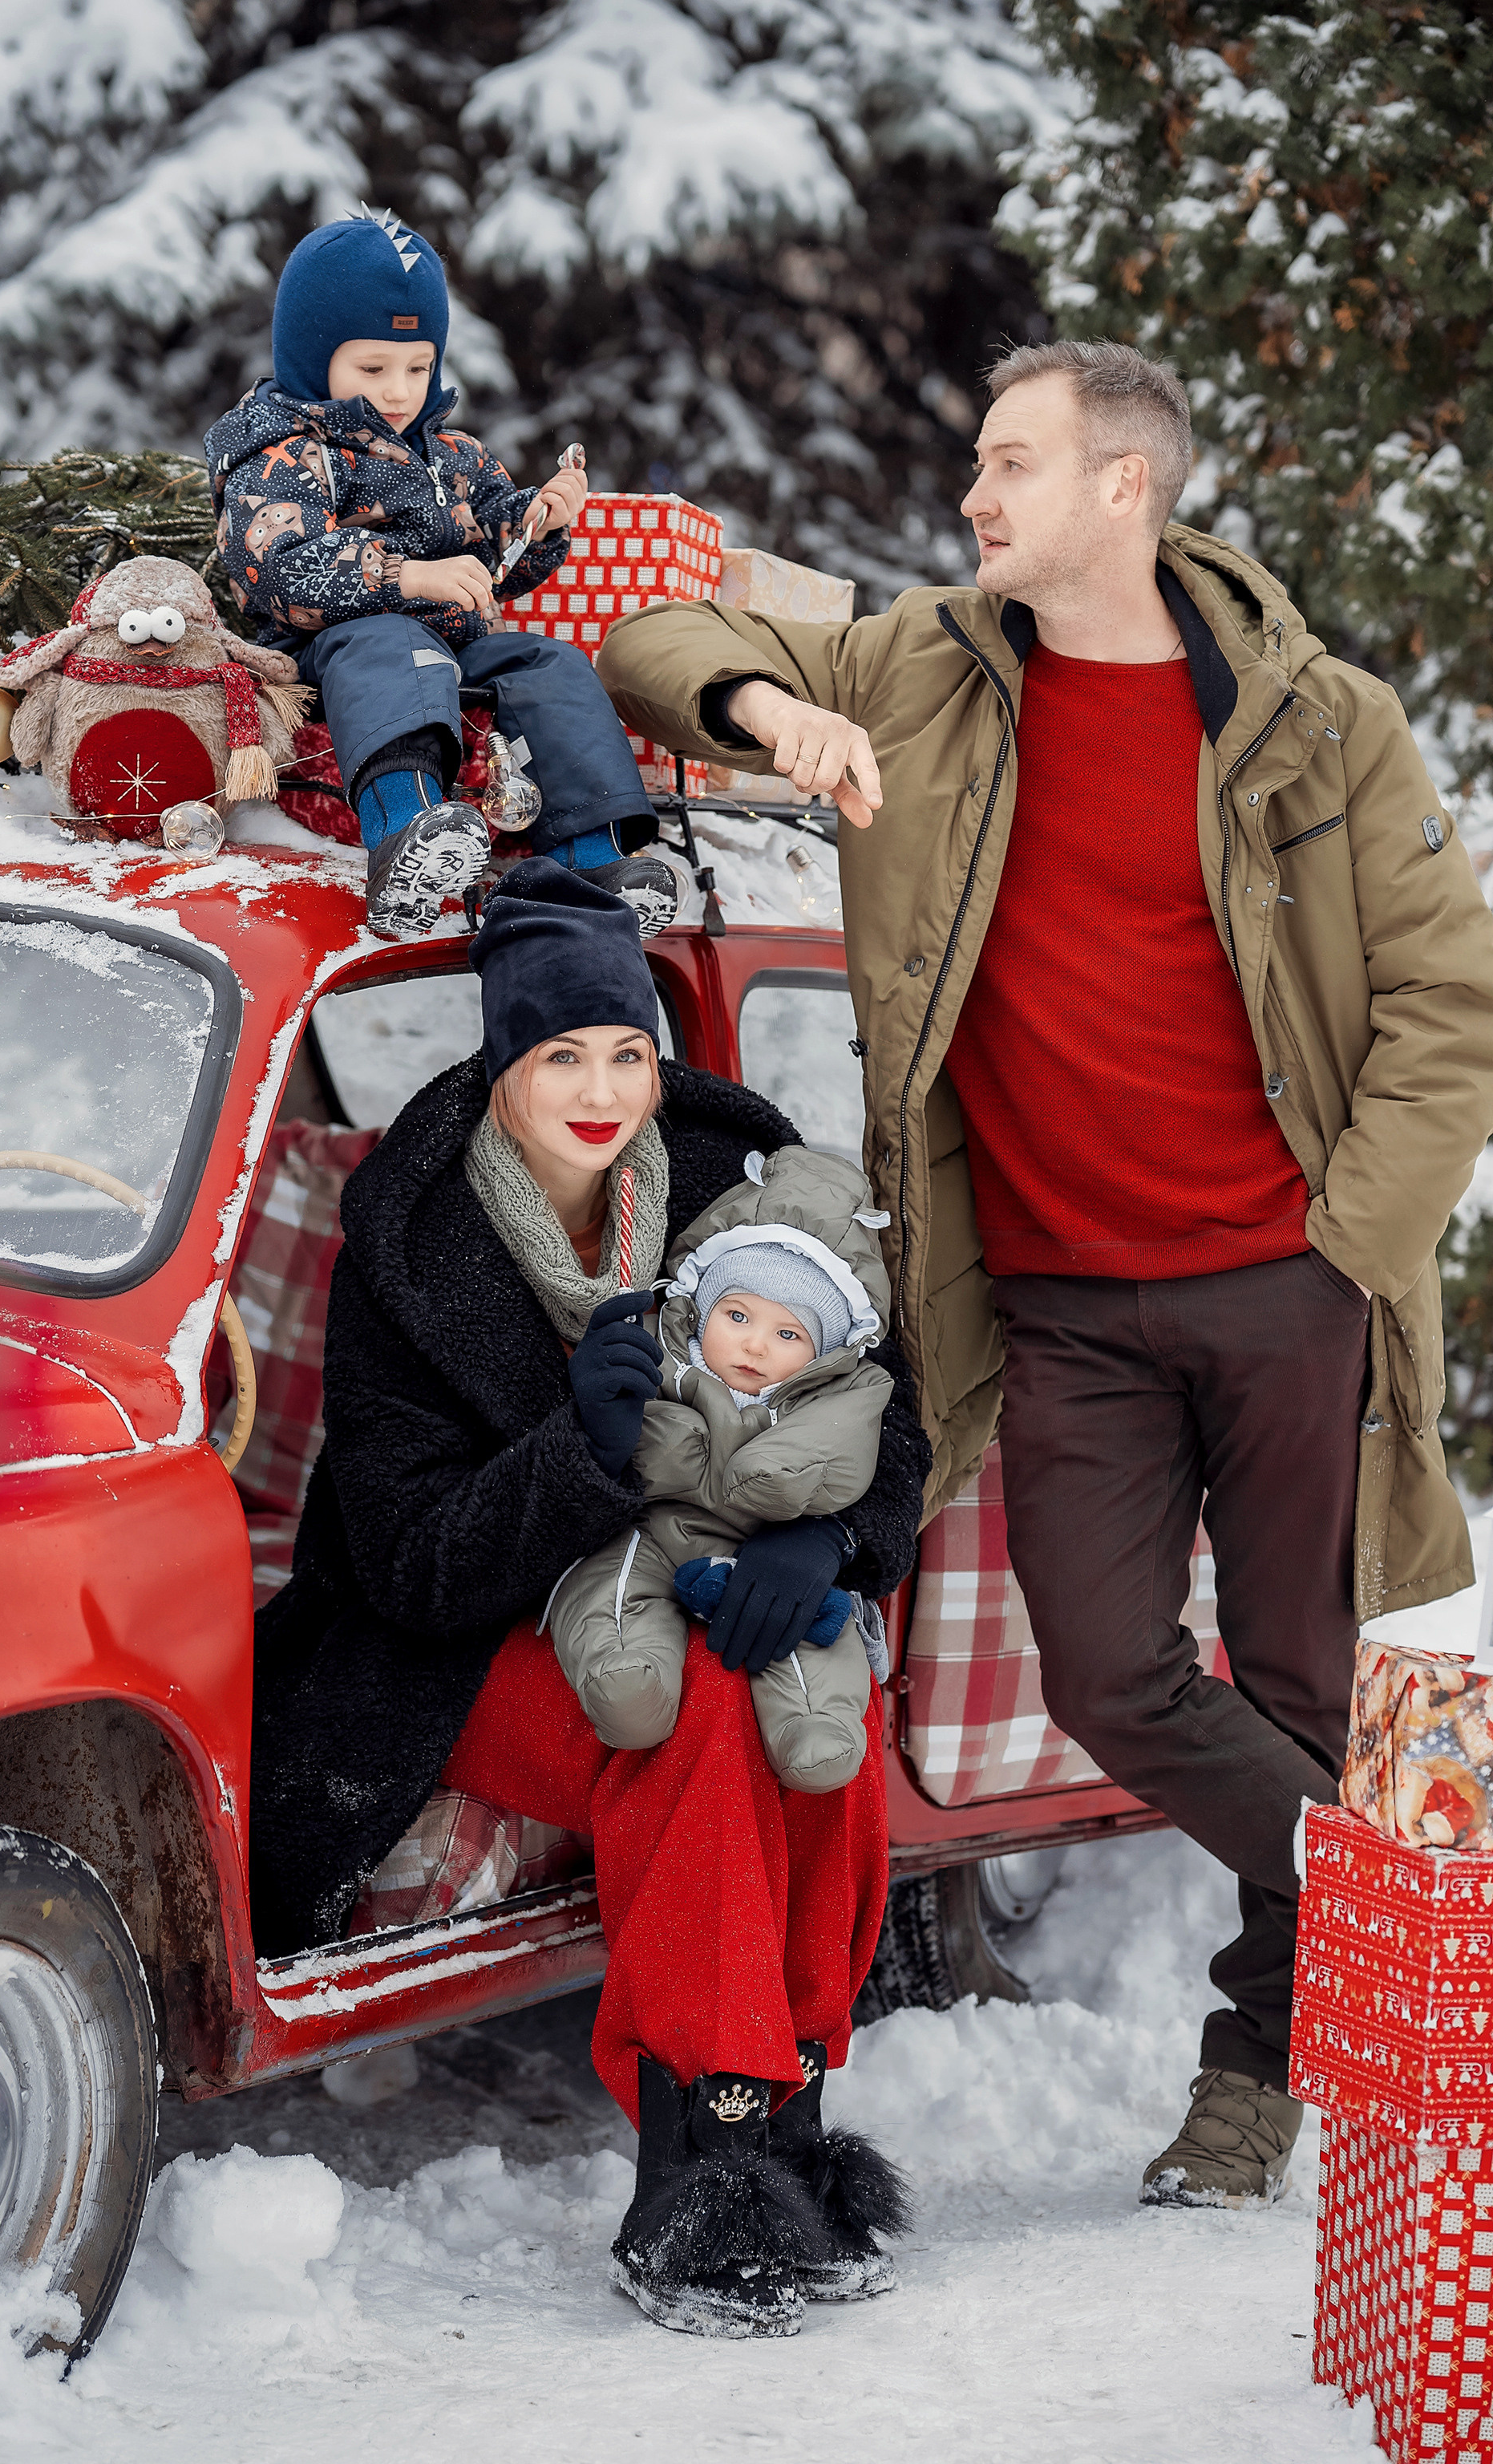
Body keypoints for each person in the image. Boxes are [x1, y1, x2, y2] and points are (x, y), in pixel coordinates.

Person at [594, 337, 1493, 2208]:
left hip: (1288, 1286)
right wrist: (767, 707)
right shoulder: (919, 666)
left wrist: (1350, 1237)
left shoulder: (1317, 722)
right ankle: (1403, 1911)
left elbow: (1446, 997)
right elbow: (652, 636)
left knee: (1295, 1684)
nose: (971, 496)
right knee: (1107, 1671)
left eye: (1011, 461)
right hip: (1064, 1301)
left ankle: (1250, 2083)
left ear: (1121, 486)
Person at [249, 857, 929, 2334]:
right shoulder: (409, 1244)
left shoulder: (727, 1178)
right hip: (452, 1643)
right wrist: (584, 1453)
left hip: (702, 1577)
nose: (602, 1090)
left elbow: (881, 1400)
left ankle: (788, 2123)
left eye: (628, 1050)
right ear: (503, 1060)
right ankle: (701, 2170)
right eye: (562, 1055)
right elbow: (407, 1557)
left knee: (810, 1692)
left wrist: (832, 1545)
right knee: (698, 1717)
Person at [204, 205, 677, 940]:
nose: (400, 390)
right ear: (310, 357)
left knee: (546, 662)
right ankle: (405, 831)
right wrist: (406, 578)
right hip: (328, 655)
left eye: (418, 367)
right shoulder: (285, 453)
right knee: (389, 639)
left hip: (453, 650)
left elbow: (498, 555)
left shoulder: (453, 456)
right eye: (373, 368)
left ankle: (593, 854)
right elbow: (279, 567)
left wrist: (539, 520)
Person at [546, 1144, 894, 1796]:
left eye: (789, 1334)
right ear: (703, 1306)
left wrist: (776, 1472)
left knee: (806, 1632)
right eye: (737, 1316)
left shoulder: (844, 1390)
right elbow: (625, 1429)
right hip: (652, 1533)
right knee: (610, 1592)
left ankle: (817, 1726)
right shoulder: (662, 1349)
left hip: (763, 1546)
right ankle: (626, 1680)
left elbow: (843, 1448)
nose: (755, 1344)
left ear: (826, 1352)